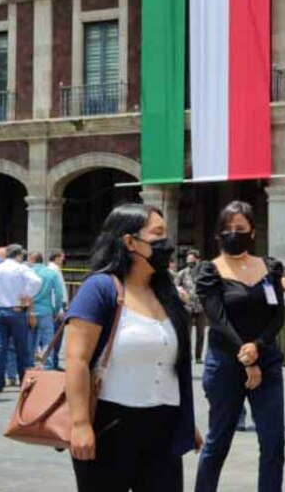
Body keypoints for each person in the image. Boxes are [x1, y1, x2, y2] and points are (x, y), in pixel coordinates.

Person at [65, 204, 200, 490]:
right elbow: (76, 360)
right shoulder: (100, 289)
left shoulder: (166, 293)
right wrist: (79, 424)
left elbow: (170, 364)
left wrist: (186, 422)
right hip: (110, 423)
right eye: (158, 234)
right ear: (129, 242)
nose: (167, 243)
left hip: (163, 425)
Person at [194, 201, 285, 492]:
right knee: (219, 440)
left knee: (273, 443)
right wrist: (246, 357)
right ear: (219, 234)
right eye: (228, 229)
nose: (234, 234)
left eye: (240, 229)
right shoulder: (210, 270)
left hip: (267, 361)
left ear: (253, 232)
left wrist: (258, 348)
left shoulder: (269, 268)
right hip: (225, 363)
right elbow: (217, 318)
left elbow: (278, 314)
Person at [0, 244, 41, 392]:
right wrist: (27, 294)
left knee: (1, 347)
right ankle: (22, 380)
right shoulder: (21, 268)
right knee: (21, 347)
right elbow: (36, 281)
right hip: (16, 310)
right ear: (19, 255)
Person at [27, 251, 65, 368]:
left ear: (31, 259)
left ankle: (29, 364)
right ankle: (48, 366)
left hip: (30, 311)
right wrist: (56, 310)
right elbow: (59, 294)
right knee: (48, 340)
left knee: (30, 340)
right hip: (46, 311)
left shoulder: (27, 272)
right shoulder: (50, 273)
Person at [175, 249, 206, 364]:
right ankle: (187, 355)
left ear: (198, 260)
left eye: (192, 262)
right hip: (187, 307)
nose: (190, 264)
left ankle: (198, 357)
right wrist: (181, 292)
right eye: (188, 262)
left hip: (201, 307)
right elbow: (175, 286)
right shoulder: (182, 273)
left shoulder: (203, 273)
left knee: (201, 334)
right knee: (187, 333)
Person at [47, 249, 69, 369]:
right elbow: (55, 292)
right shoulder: (53, 270)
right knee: (56, 336)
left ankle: (54, 361)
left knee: (56, 336)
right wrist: (59, 309)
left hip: (58, 307)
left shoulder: (54, 269)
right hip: (57, 308)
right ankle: (53, 361)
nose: (63, 260)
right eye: (62, 257)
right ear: (56, 258)